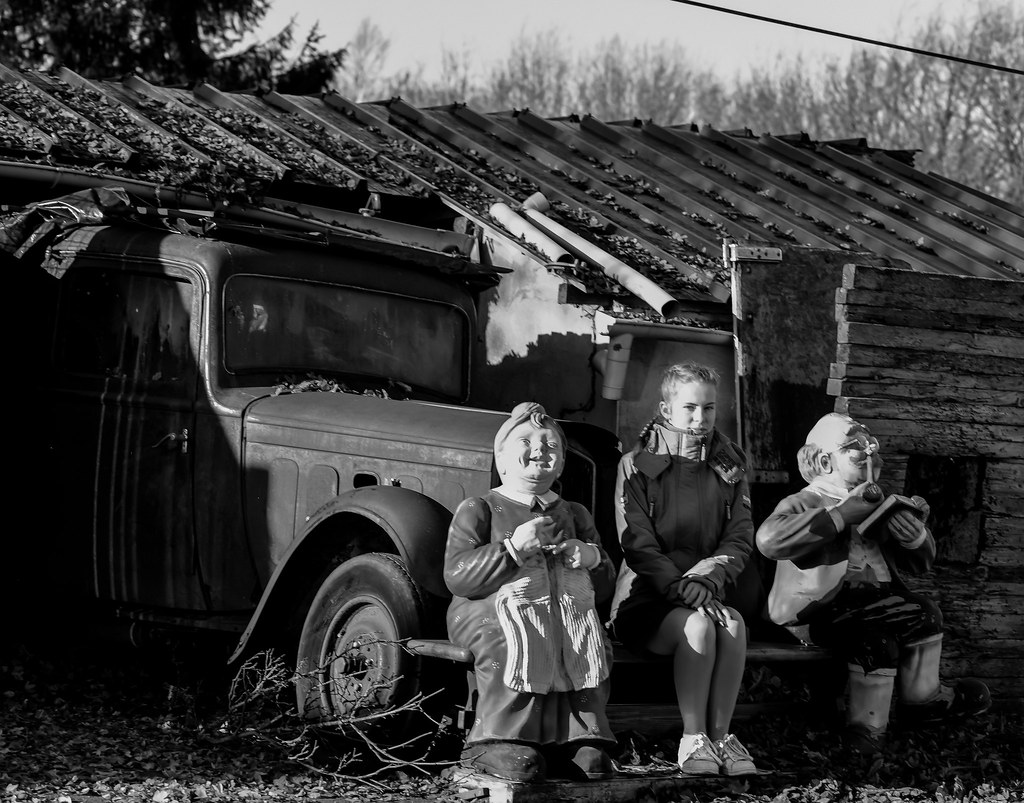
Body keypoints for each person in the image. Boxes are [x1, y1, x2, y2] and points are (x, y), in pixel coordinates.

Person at [755, 412, 991, 752]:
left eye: (872, 444)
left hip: (873, 605)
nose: (869, 451)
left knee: (877, 640)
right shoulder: (807, 501)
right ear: (824, 461)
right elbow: (769, 540)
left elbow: (920, 563)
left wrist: (914, 537)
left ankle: (867, 730)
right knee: (923, 612)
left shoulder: (881, 504)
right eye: (856, 444)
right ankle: (922, 700)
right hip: (816, 610)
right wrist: (839, 516)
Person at [443, 401, 618, 784]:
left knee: (586, 642)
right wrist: (511, 550)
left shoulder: (575, 514)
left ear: (561, 463)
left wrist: (590, 557)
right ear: (502, 459)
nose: (540, 449)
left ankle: (574, 738)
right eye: (525, 441)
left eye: (550, 444)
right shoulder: (481, 509)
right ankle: (497, 738)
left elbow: (605, 585)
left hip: (564, 608)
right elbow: (457, 575)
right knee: (510, 640)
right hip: (489, 611)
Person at [608, 362, 758, 777]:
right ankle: (693, 738)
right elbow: (637, 542)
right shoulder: (637, 465)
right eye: (690, 407)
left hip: (706, 591)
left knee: (733, 625)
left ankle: (721, 739)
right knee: (699, 627)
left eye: (709, 408)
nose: (700, 418)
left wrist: (706, 578)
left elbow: (740, 536)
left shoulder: (730, 466)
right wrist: (680, 587)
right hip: (647, 597)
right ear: (666, 408)